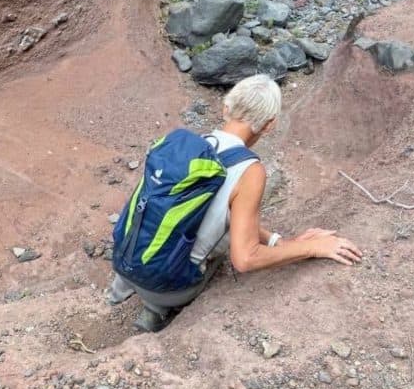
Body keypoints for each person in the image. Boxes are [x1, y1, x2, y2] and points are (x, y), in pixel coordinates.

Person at [108, 74, 362, 332]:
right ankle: (156, 308)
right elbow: (245, 259)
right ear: (269, 125)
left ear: (225, 108)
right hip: (168, 289)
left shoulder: (191, 147)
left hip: (124, 263)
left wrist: (277, 241)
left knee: (215, 217)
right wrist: (312, 248)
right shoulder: (250, 171)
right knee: (229, 240)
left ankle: (129, 292)